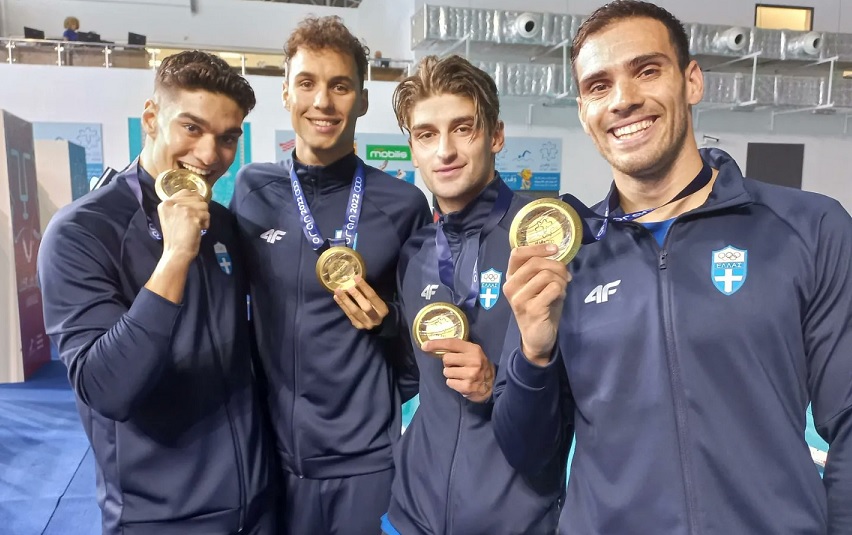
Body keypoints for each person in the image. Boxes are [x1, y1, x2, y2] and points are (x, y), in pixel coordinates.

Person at [493, 1, 852, 534]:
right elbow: (529, 456)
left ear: (692, 81)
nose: (623, 99)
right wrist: (534, 354)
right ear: (584, 113)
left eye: (646, 70)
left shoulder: (809, 228)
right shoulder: (568, 254)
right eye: (598, 86)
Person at [37, 51, 275, 534]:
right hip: (163, 518)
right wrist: (175, 257)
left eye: (227, 138)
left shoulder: (222, 223)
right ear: (151, 118)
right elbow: (106, 389)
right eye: (191, 128)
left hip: (257, 505)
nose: (208, 155)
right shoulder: (81, 232)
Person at [230, 15, 431, 535]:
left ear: (362, 99)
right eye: (307, 83)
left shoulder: (402, 204)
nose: (322, 101)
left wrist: (385, 331)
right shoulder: (252, 191)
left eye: (340, 86)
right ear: (286, 94)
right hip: (270, 456)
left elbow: (421, 333)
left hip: (365, 463)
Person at [382, 54, 570, 535]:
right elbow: (414, 380)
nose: (444, 150)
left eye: (462, 128)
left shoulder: (545, 240)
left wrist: (497, 387)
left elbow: (575, 401)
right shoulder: (415, 253)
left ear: (496, 136)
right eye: (426, 135)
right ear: (413, 150)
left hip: (512, 521)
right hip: (413, 517)